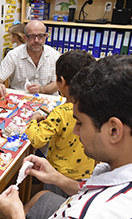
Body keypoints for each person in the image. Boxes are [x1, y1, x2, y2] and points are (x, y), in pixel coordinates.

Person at [0, 55, 132, 219]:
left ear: (114, 130)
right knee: (42, 197)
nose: (76, 132)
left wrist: (17, 217)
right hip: (71, 209)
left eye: (80, 123)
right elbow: (90, 187)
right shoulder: (115, 168)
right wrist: (58, 178)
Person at [25, 50, 96, 197]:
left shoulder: (61, 112)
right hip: (86, 172)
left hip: (58, 174)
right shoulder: (96, 107)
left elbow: (37, 140)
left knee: (54, 202)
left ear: (62, 81)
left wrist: (33, 120)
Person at [0, 20, 60, 98]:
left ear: (46, 36)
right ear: (25, 38)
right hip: (20, 99)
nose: (36, 40)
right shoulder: (14, 55)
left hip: (47, 99)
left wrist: (41, 89)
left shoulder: (54, 55)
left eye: (40, 36)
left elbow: (58, 83)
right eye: (32, 36)